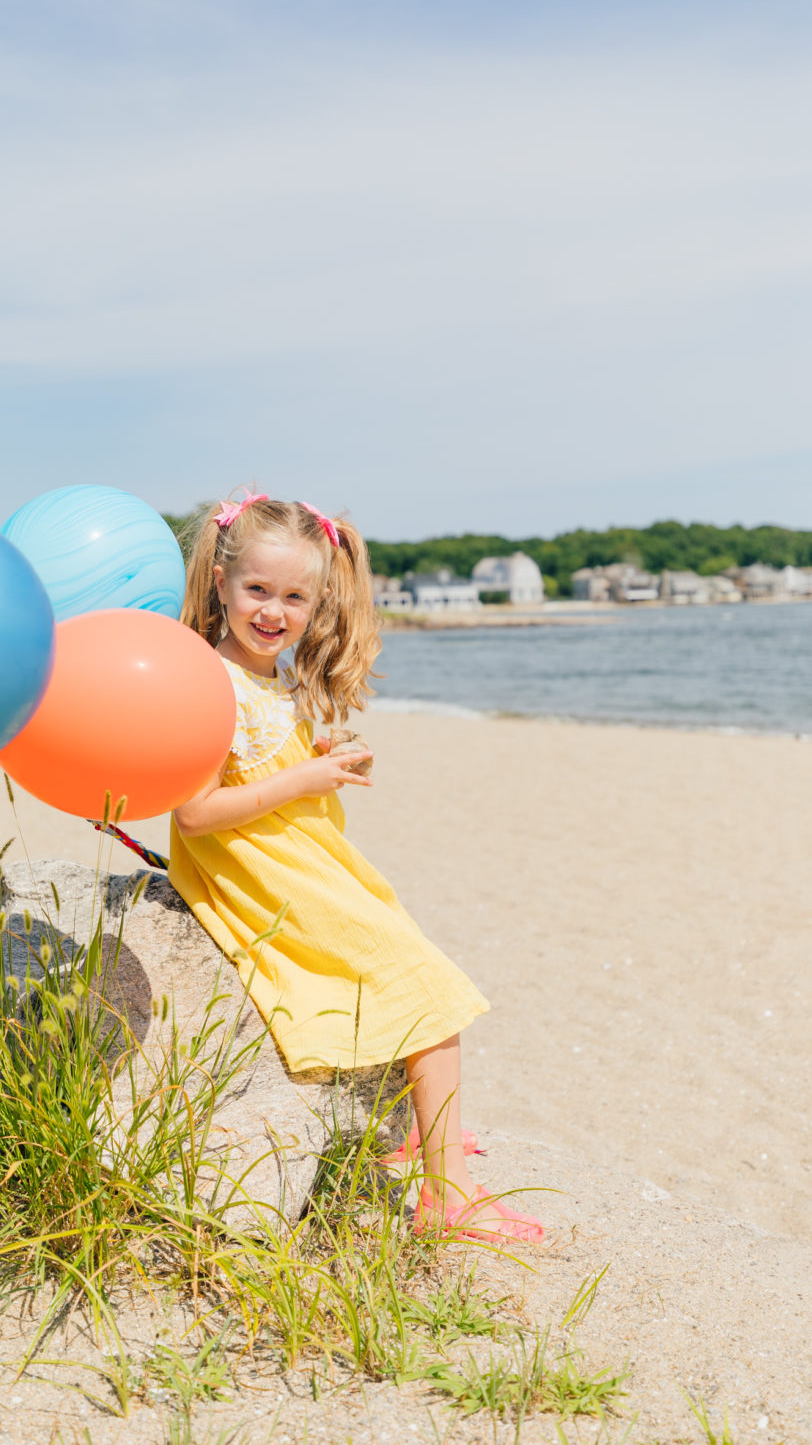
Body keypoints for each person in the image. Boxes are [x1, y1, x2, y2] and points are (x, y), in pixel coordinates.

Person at [170, 491, 543, 1242]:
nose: (274, 611)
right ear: (220, 583)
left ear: (317, 601)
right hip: (266, 877)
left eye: (294, 597)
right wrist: (299, 781)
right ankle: (447, 1192)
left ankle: (426, 1136)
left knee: (417, 972)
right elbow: (195, 813)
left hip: (308, 863)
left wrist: (323, 759)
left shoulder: (270, 682)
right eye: (257, 591)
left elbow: (265, 770)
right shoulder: (208, 682)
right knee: (428, 989)